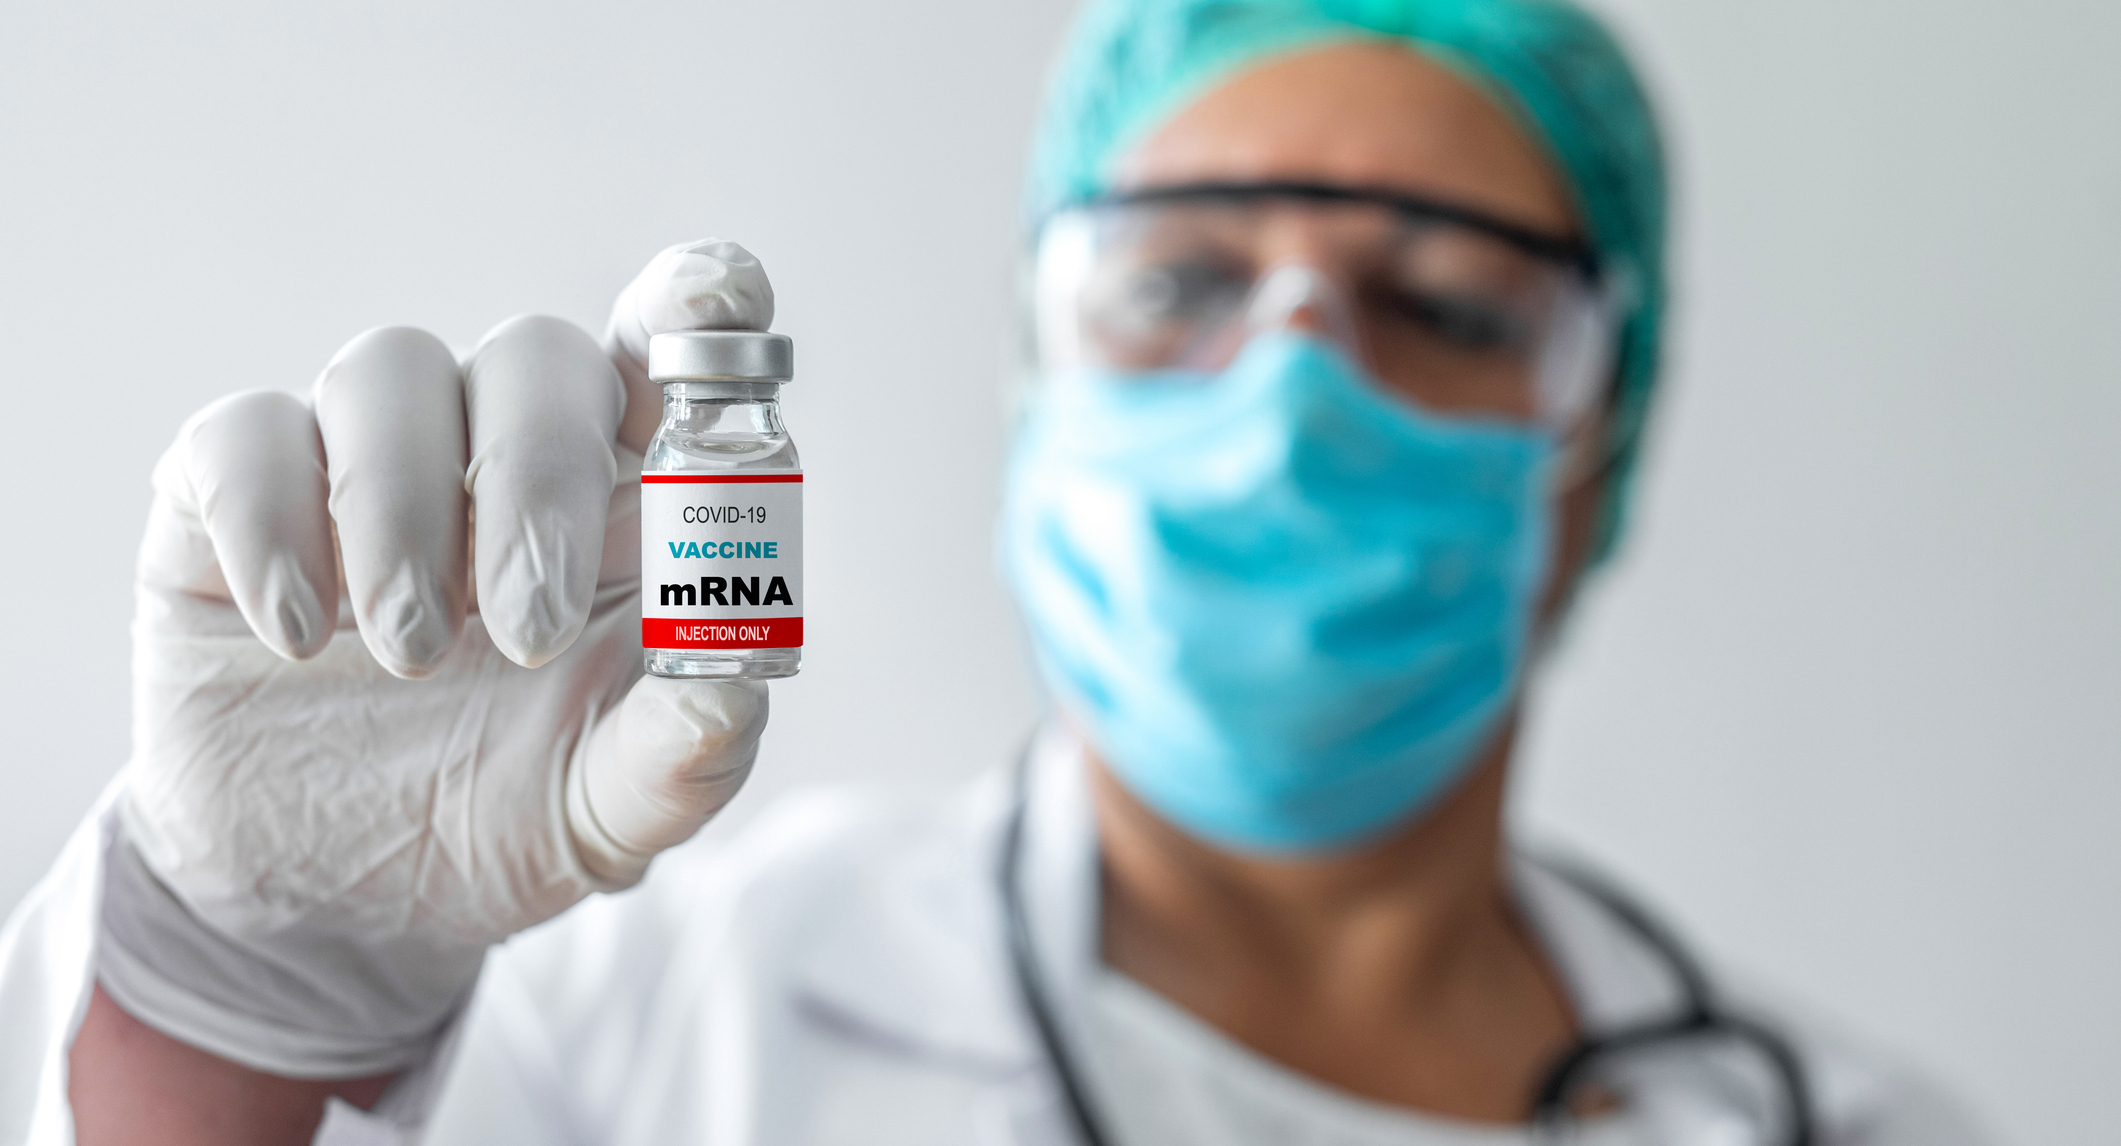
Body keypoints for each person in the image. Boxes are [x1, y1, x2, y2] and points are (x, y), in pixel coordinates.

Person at [0, 0, 1988, 1143]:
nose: (1289, 400)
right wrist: (241, 1000)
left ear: (1597, 448)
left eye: (1448, 309)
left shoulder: (1852, 1128)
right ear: (1039, 372)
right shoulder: (644, 1032)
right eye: (1180, 283)